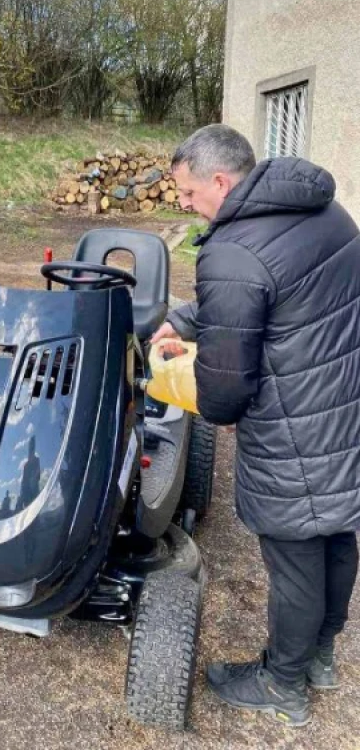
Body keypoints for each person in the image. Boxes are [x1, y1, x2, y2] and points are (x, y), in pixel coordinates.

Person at [151, 124, 360, 728]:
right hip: (343, 407)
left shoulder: (234, 247)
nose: (186, 206)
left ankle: (283, 683)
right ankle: (320, 656)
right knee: (336, 536)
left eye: (189, 193)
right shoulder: (327, 212)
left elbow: (225, 383)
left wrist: (207, 408)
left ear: (221, 180)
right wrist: (189, 319)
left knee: (295, 553)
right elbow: (275, 299)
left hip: (293, 424)